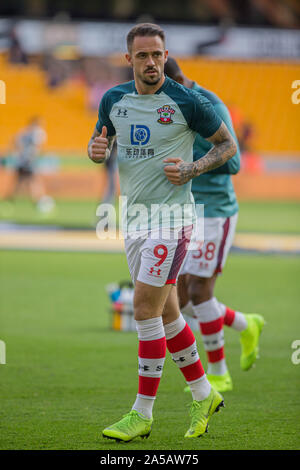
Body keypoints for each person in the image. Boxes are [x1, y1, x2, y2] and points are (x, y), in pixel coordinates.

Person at [88, 23, 237, 442]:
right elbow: (100, 142)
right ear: (128, 59)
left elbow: (227, 146)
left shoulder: (187, 100)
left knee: (144, 311)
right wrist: (95, 150)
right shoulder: (114, 100)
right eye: (142, 56)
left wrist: (192, 167)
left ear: (165, 54)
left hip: (172, 223)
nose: (151, 62)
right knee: (169, 313)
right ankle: (204, 393)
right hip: (133, 221)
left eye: (157, 54)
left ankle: (142, 413)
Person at [164, 57, 265, 393]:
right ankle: (244, 323)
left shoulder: (209, 104)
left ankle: (218, 371)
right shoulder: (169, 106)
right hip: (186, 210)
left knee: (199, 291)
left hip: (215, 212)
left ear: (174, 82)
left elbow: (233, 161)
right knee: (179, 295)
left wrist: (192, 166)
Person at [4, 117, 54, 213]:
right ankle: (38, 201)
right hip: (28, 161)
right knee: (33, 181)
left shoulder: (23, 132)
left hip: (22, 160)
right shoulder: (37, 133)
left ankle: (9, 201)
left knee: (20, 182)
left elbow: (14, 141)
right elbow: (37, 147)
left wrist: (17, 153)